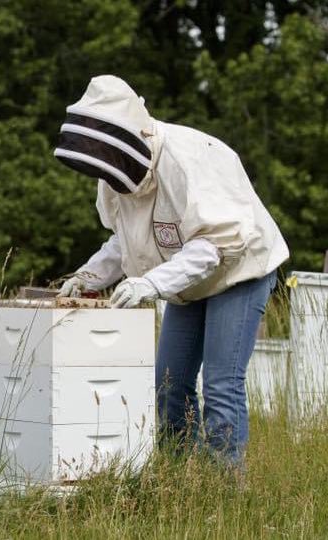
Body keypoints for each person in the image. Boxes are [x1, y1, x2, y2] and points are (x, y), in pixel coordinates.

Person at [54, 75, 289, 467]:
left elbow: (215, 245)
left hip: (239, 270)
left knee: (220, 384)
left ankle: (224, 485)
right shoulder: (116, 177)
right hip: (185, 280)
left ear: (136, 134)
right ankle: (180, 475)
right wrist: (86, 278)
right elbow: (123, 242)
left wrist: (150, 283)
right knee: (169, 384)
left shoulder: (188, 159)